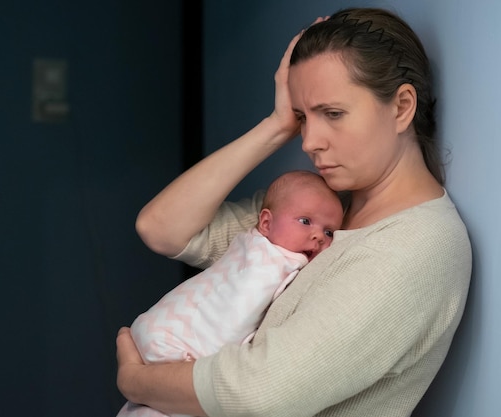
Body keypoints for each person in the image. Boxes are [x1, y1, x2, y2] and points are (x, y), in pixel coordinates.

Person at [117, 6, 472, 417]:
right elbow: (161, 229)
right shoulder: (321, 209)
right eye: (304, 117)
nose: (308, 141)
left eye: (333, 113)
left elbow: (259, 392)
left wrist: (136, 380)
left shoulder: (416, 247)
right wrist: (274, 125)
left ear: (402, 106)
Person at [117, 170, 344, 417]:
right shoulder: (270, 262)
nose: (318, 237)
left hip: (156, 332)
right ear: (266, 223)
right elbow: (238, 312)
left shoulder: (254, 243)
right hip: (178, 345)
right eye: (305, 221)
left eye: (329, 232)